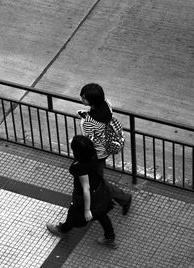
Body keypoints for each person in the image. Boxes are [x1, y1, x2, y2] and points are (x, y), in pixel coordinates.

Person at [47, 135, 117, 249]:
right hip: (99, 190)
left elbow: (86, 188)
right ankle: (109, 237)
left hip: (83, 198)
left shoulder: (79, 167)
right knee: (101, 214)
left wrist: (87, 210)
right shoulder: (93, 156)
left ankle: (62, 230)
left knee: (73, 214)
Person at [78, 83, 132, 215]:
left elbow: (90, 140)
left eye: (84, 98)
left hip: (95, 154)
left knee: (97, 181)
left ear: (92, 101)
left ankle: (123, 198)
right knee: (95, 179)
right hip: (104, 150)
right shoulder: (106, 104)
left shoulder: (89, 122)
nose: (81, 99)